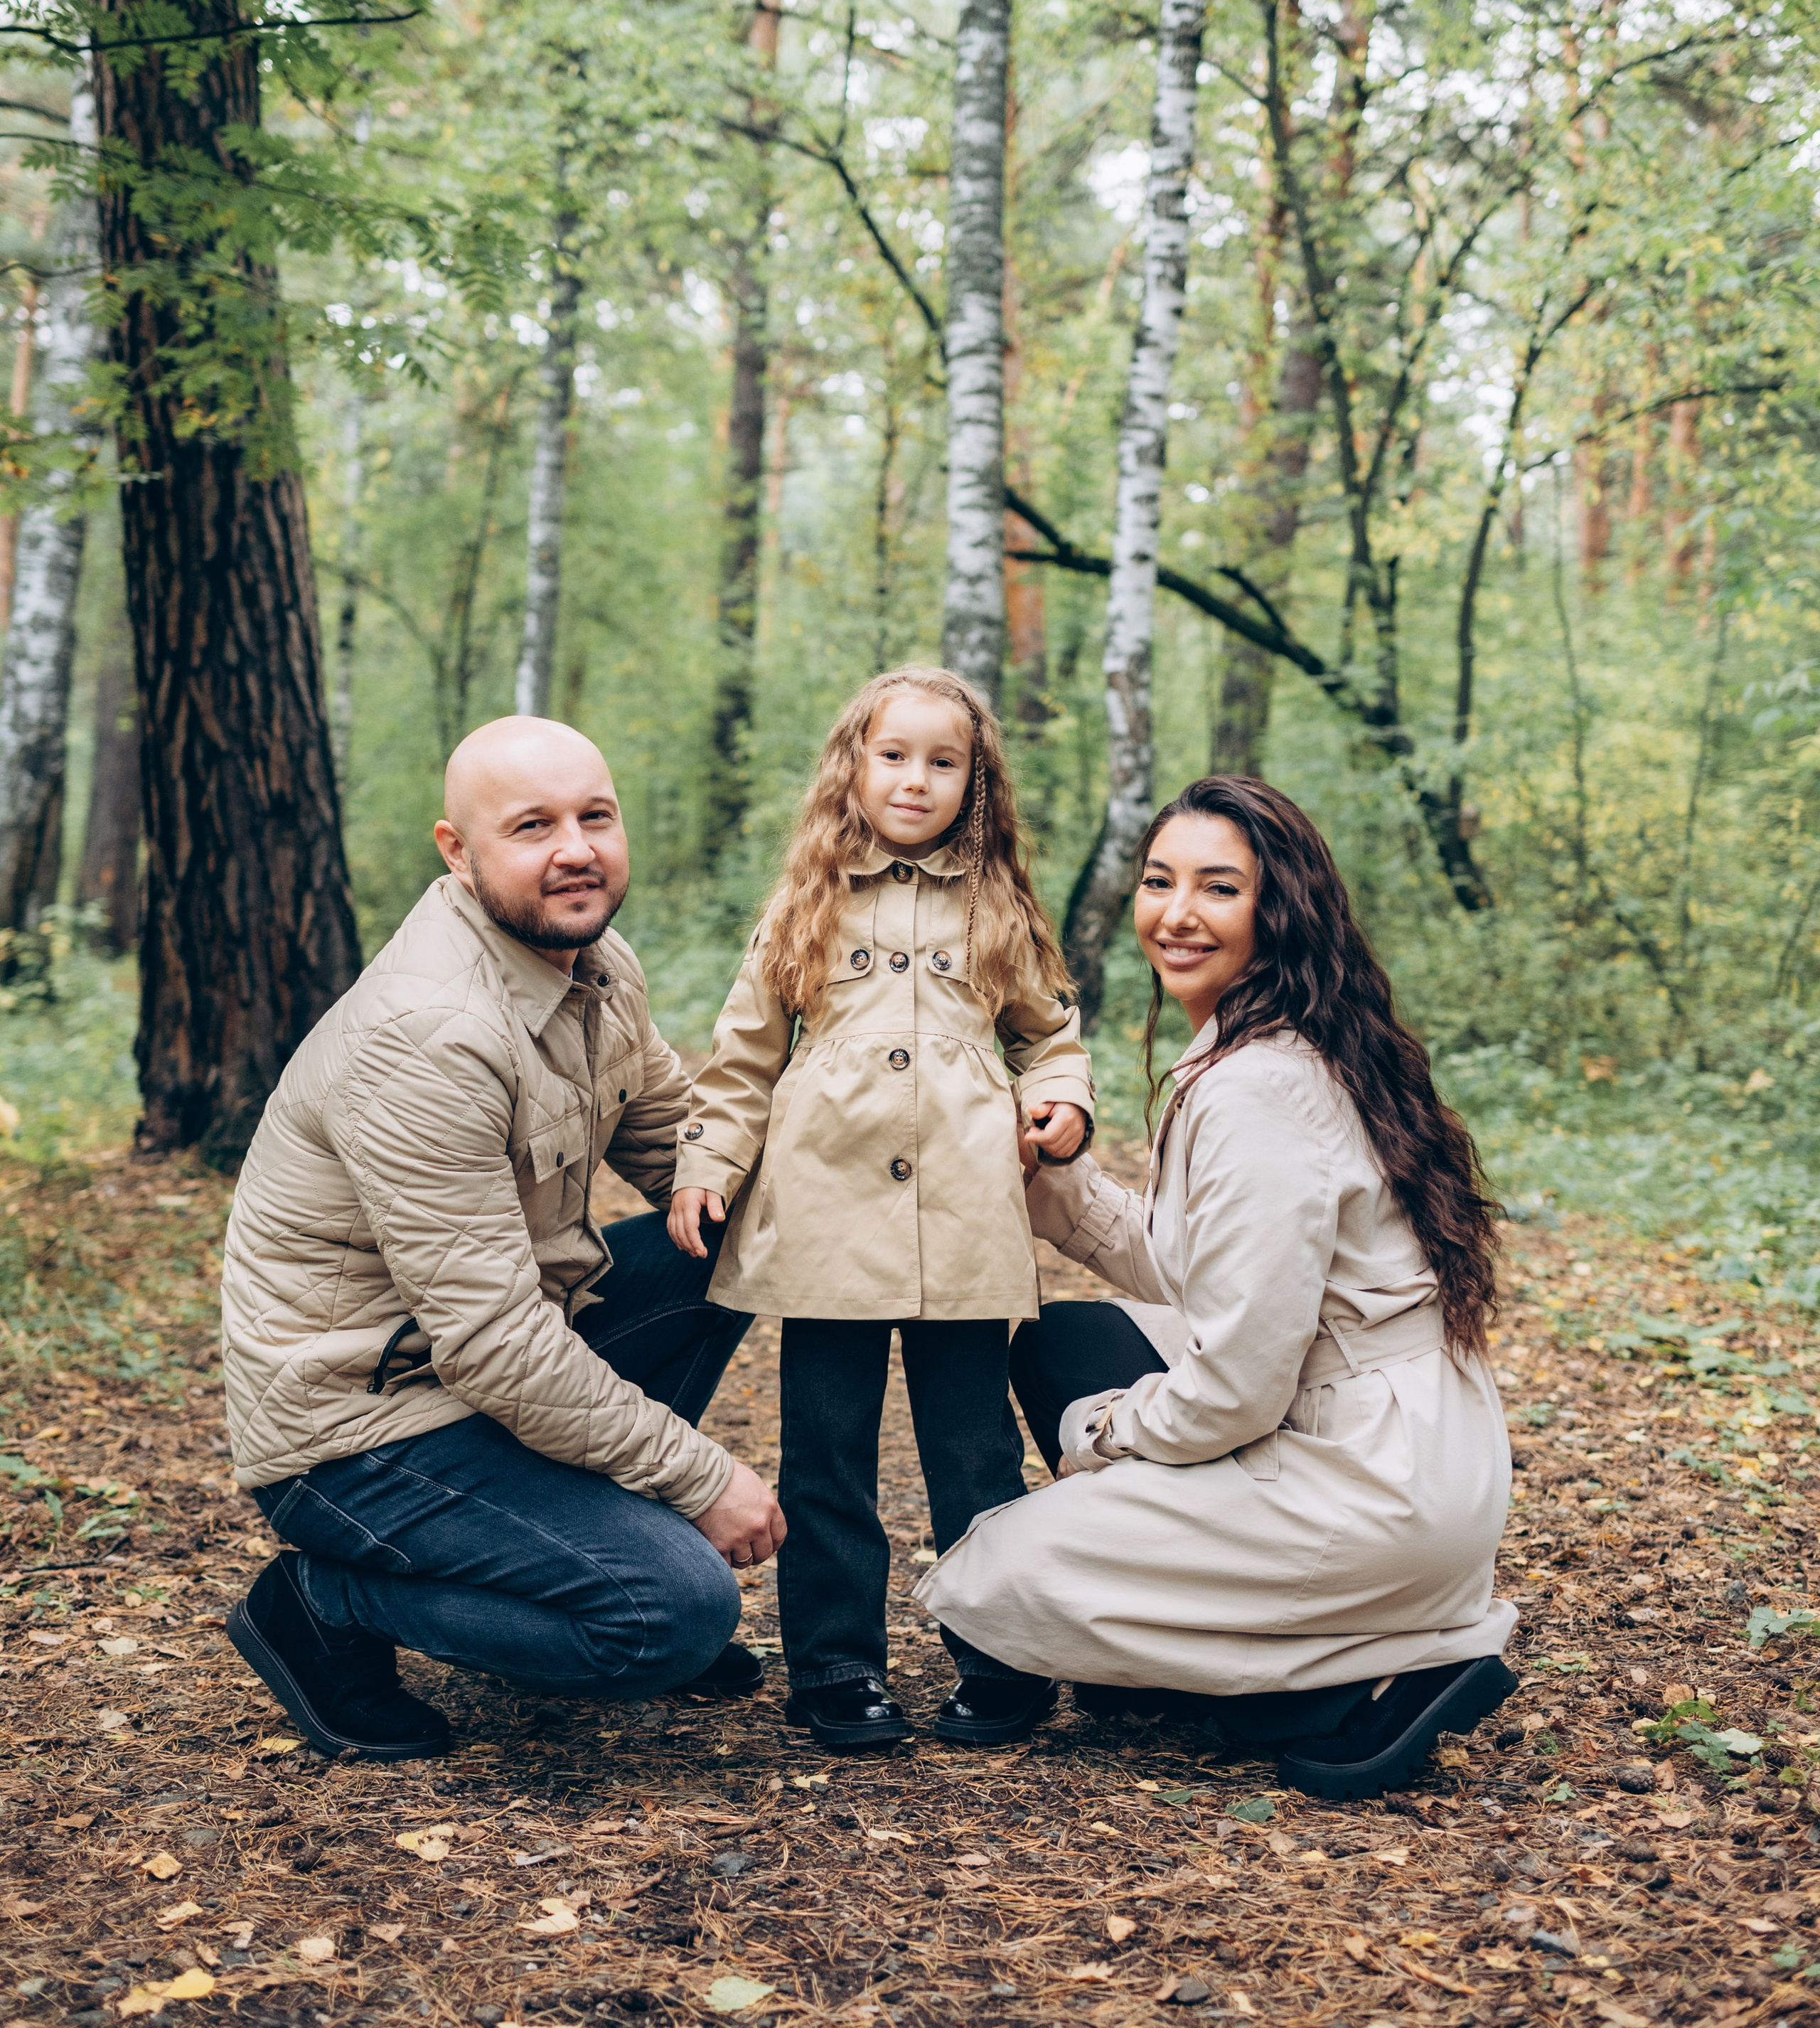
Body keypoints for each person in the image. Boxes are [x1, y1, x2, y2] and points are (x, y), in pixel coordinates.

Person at [919, 774, 1519, 1803]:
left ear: (1277, 911)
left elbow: (1240, 1381)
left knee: (992, 1580)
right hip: (1420, 1457)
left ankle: (1368, 1678)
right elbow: (1216, 1276)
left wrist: (1102, 1441)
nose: (1178, 914)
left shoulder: (1256, 1090)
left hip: (1371, 1484)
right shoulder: (1282, 1043)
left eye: (1219, 889)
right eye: (1160, 881)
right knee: (1067, 1343)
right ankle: (1310, 1646)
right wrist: (1054, 1180)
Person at [220, 715, 784, 1761]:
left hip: (484, 1366)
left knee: (722, 1244)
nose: (575, 848)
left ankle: (606, 1540)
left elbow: (686, 1151)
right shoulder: (428, 1037)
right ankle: (327, 1602)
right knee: (672, 1614)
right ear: (457, 851)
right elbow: (493, 1344)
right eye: (532, 826)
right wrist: (699, 1479)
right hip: (363, 1428)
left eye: (595, 817)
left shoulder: (593, 960)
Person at [668, 668, 1096, 1752]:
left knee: (974, 1456)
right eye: (893, 755)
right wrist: (708, 1162)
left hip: (963, 1218)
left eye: (942, 761)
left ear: (975, 781)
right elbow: (743, 1058)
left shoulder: (999, 903)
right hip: (825, 1220)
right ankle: (837, 1668)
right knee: (828, 1453)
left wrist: (1060, 1105)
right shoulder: (806, 900)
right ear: (853, 767)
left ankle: (1001, 1663)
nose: (916, 779)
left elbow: (1048, 1036)